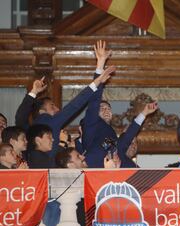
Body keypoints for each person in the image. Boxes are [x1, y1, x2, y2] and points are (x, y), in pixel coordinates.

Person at [15, 63, 116, 158]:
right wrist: (97, 81)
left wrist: (33, 92)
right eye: (52, 105)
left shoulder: (30, 129)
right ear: (41, 111)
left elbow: (20, 116)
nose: (57, 109)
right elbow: (75, 105)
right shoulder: (49, 121)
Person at [83, 40, 158, 168]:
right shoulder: (91, 124)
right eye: (102, 108)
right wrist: (100, 68)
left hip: (116, 171)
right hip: (97, 173)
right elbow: (94, 101)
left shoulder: (109, 135)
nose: (106, 110)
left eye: (108, 108)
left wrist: (144, 113)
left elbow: (124, 141)